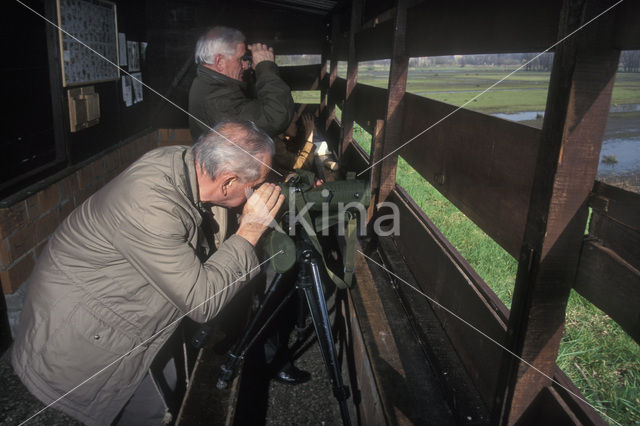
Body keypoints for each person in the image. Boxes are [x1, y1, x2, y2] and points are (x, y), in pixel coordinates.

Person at [10, 120, 284, 425]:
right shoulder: (149, 205)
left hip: (124, 306)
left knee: (173, 392)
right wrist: (250, 231)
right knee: (152, 414)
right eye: (256, 186)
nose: (260, 193)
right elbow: (204, 301)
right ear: (228, 182)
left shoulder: (187, 163)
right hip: (84, 334)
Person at [188, 26, 294, 140]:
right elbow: (275, 117)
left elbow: (250, 108)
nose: (245, 65)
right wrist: (265, 68)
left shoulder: (208, 85)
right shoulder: (217, 100)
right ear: (220, 62)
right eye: (241, 59)